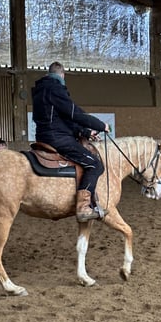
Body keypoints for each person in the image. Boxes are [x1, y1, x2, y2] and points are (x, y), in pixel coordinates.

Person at [32, 61, 109, 221]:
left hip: (44, 136)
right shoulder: (56, 89)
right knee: (95, 165)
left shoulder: (40, 90)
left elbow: (62, 120)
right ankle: (83, 208)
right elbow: (75, 114)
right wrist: (101, 125)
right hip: (58, 139)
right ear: (63, 75)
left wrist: (87, 132)